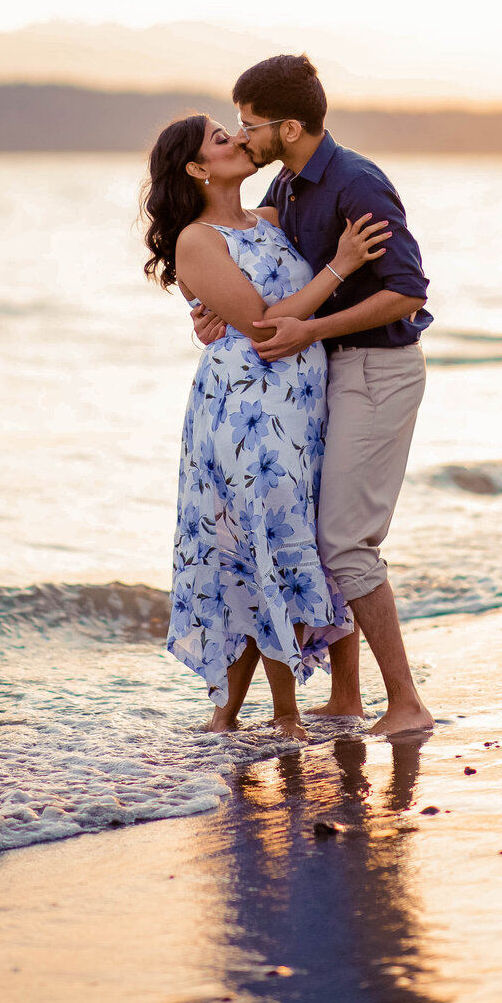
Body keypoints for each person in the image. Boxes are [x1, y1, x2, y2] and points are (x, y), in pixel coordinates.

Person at [192, 54, 433, 737]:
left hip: (375, 372)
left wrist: (311, 330)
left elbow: (408, 289)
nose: (242, 138)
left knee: (344, 542)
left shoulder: (357, 183)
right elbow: (253, 263)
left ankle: (408, 702)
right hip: (331, 374)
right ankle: (347, 698)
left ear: (289, 126)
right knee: (321, 537)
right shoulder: (293, 186)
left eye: (249, 125)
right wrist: (213, 306)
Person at [142, 113, 392, 737]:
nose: (237, 141)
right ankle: (283, 714)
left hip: (301, 406)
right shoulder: (197, 240)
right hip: (245, 409)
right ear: (198, 169)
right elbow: (263, 327)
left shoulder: (272, 219)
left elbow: (275, 312)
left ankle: (227, 714)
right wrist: (338, 266)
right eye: (221, 139)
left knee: (274, 541)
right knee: (260, 542)